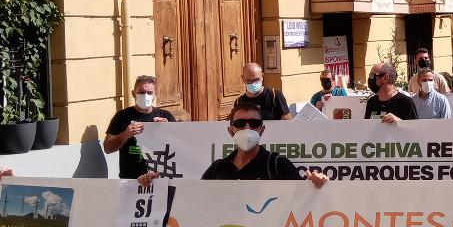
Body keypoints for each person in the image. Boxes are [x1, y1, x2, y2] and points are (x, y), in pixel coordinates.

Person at [141, 102, 329, 185]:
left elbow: (302, 202)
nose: (247, 128)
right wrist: (153, 186)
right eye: (239, 124)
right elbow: (194, 200)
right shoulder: (218, 168)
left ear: (262, 130)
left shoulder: (278, 165)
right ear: (231, 130)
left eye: (254, 123)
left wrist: (316, 184)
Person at [104, 75, 176, 179]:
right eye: (142, 92)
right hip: (131, 179)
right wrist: (125, 135)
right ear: (133, 94)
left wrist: (168, 130)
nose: (146, 95)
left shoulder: (166, 116)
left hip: (160, 178)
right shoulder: (122, 116)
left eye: (150, 93)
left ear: (155, 95)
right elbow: (108, 148)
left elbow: (180, 148)